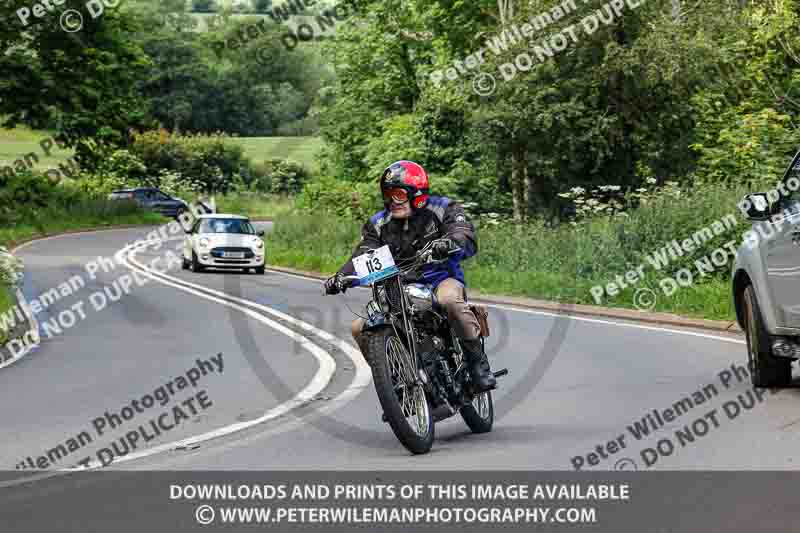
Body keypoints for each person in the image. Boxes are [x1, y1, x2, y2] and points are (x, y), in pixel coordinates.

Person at [324, 160, 496, 392]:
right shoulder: (377, 224)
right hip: (397, 289)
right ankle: (396, 382)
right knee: (358, 328)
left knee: (449, 302)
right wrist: (341, 276)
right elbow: (365, 253)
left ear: (417, 193)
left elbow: (463, 233)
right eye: (387, 195)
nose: (391, 201)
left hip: (440, 279)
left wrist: (449, 242)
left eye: (397, 194)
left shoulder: (443, 208)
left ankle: (478, 365)